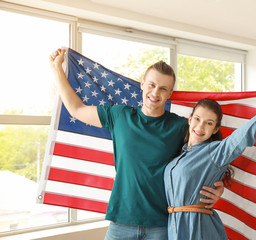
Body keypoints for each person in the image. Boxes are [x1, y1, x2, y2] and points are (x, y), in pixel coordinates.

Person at [49, 48, 224, 240]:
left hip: (162, 225)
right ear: (142, 83)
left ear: (170, 93)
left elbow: (209, 153)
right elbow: (76, 109)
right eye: (152, 84)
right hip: (121, 222)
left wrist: (218, 186)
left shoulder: (180, 126)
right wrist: (56, 68)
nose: (155, 92)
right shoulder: (119, 115)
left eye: (163, 88)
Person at [164, 86, 256, 239]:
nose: (200, 126)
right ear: (190, 119)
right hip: (174, 228)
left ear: (215, 129)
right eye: (197, 119)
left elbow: (247, 131)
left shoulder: (216, 153)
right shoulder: (178, 154)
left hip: (199, 230)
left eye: (209, 123)